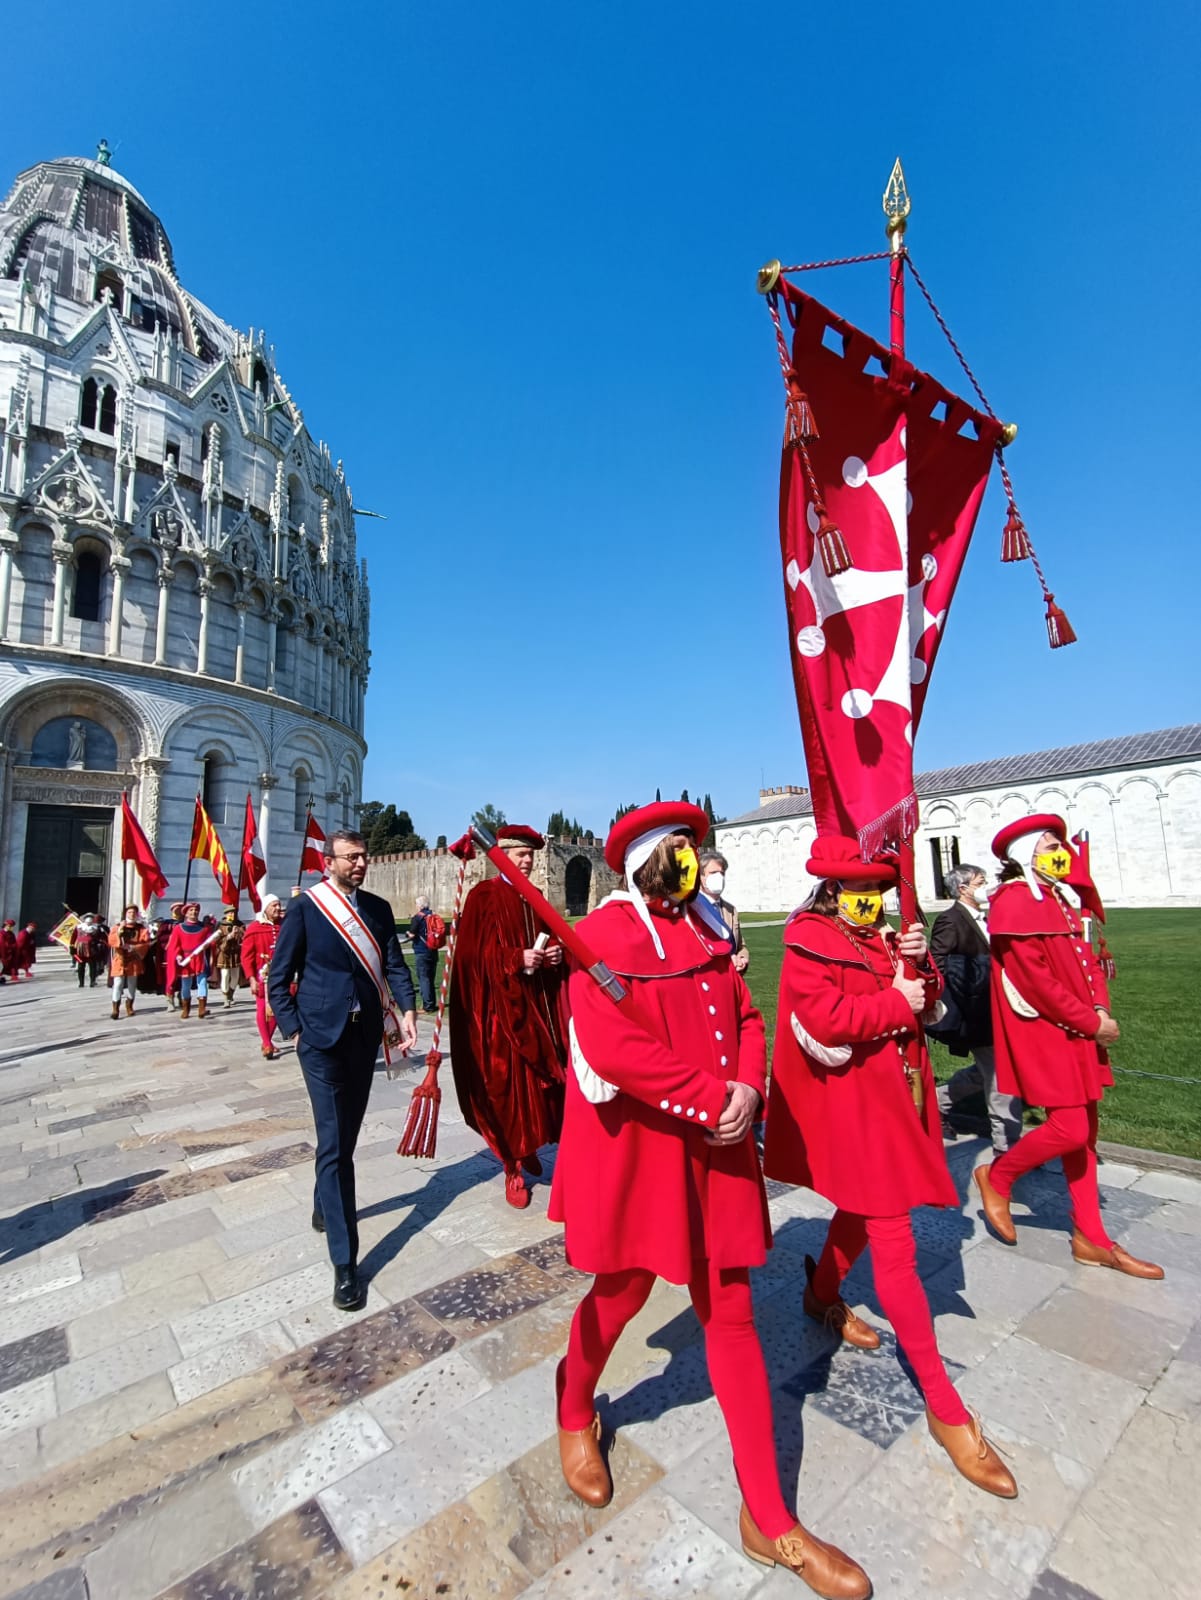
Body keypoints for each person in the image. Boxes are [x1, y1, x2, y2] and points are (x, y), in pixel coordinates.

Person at [549, 802, 869, 1597]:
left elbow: (749, 1016)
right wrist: (707, 1097)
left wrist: (746, 1090)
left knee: (730, 1314)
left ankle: (768, 1518)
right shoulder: (606, 940)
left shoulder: (708, 928)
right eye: (677, 853)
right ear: (644, 864)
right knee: (619, 1296)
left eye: (694, 851)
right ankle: (573, 1404)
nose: (690, 865)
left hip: (718, 1151)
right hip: (644, 1150)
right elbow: (617, 1049)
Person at [764, 835, 1017, 1499]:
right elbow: (818, 1018)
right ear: (827, 891)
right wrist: (894, 1003)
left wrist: (920, 974)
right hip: (855, 1109)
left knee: (863, 1208)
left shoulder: (878, 936)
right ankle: (943, 1406)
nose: (868, 902)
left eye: (874, 892)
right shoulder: (807, 940)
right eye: (856, 892)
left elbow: (923, 1003)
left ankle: (819, 1294)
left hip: (895, 1101)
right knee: (895, 1245)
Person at [973, 815, 1163, 1278]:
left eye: (1060, 844)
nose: (1059, 852)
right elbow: (1034, 980)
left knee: (1086, 1135)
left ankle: (1091, 1238)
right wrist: (1088, 1021)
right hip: (1046, 1032)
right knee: (1070, 1129)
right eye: (1048, 845)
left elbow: (1088, 963)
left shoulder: (1060, 898)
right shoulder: (1015, 902)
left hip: (1079, 1029)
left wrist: (1099, 1009)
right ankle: (998, 1177)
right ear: (1024, 855)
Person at [269, 830, 417, 1311]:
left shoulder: (375, 908)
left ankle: (321, 1203)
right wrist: (295, 1031)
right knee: (336, 1146)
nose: (360, 864)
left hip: (363, 1040)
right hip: (320, 1042)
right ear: (327, 861)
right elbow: (279, 977)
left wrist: (410, 1009)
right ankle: (345, 1265)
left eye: (364, 857)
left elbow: (394, 964)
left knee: (343, 1138)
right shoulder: (307, 908)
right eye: (351, 858)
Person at [448, 824, 569, 1209]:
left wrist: (552, 954)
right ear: (501, 856)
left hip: (536, 1010)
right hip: (499, 1015)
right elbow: (470, 960)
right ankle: (511, 1165)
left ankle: (530, 1143)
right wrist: (516, 959)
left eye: (531, 855)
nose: (528, 861)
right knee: (506, 1093)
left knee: (541, 1090)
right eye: (520, 854)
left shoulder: (535, 897)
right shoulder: (484, 896)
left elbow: (551, 936)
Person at [930, 863, 1023, 1156]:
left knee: (989, 1072)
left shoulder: (987, 917)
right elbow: (938, 963)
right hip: (977, 1012)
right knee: (1001, 1077)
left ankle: (937, 1102)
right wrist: (967, 992)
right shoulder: (951, 920)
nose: (987, 887)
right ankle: (1007, 1149)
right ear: (963, 889)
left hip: (1000, 1006)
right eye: (981, 882)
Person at [242, 894, 285, 1059]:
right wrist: (251, 978)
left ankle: (267, 1040)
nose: (278, 908)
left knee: (276, 1010)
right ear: (266, 908)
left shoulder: (284, 925)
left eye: (279, 905)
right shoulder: (254, 928)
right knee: (262, 1007)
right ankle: (267, 1044)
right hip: (262, 975)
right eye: (274, 905)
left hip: (281, 975)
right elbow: (247, 957)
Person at [698, 850, 750, 974]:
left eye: (722, 873)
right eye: (713, 873)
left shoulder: (730, 910)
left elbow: (741, 946)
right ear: (700, 876)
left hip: (733, 977)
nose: (719, 877)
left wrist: (742, 958)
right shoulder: (693, 908)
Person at [166, 902, 214, 1018]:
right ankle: (186, 1009)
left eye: (196, 910)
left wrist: (210, 943)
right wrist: (178, 955)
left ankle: (202, 1009)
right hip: (186, 959)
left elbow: (211, 942)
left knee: (202, 982)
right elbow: (174, 945)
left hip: (199, 958)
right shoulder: (178, 928)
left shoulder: (204, 928)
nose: (194, 912)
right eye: (191, 910)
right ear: (186, 913)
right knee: (186, 985)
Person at [107, 906, 151, 1019]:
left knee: (132, 984)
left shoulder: (141, 928)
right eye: (129, 912)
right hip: (120, 958)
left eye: (134, 912)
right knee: (118, 984)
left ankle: (129, 1005)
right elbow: (111, 940)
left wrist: (133, 947)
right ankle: (115, 1008)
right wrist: (119, 934)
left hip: (134, 958)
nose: (132, 914)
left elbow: (146, 942)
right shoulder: (117, 927)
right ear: (125, 913)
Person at [408, 894, 440, 1013]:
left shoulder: (418, 918)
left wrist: (408, 934)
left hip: (421, 951)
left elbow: (412, 934)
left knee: (424, 978)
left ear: (420, 905)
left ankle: (428, 1006)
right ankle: (431, 1002)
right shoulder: (434, 915)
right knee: (430, 978)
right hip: (433, 950)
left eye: (416, 904)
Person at [212, 908, 245, 1008]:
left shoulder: (240, 925)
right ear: (226, 914)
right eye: (230, 913)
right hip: (224, 954)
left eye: (233, 913)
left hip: (235, 954)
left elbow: (244, 938)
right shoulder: (220, 926)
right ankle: (226, 998)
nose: (232, 914)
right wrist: (228, 937)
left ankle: (231, 993)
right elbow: (217, 941)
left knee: (235, 977)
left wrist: (239, 933)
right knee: (225, 975)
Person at [71, 914, 105, 989]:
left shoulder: (96, 928)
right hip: (80, 950)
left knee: (92, 966)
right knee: (80, 967)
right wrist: (72, 947)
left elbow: (102, 938)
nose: (88, 922)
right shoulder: (78, 927)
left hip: (92, 949)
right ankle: (81, 982)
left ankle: (92, 981)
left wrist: (100, 944)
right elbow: (73, 938)